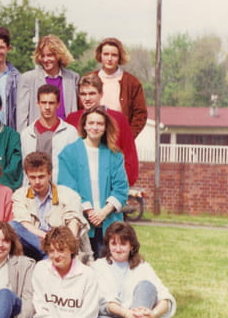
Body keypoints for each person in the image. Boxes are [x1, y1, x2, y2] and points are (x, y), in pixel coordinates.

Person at [93, 221, 187, 318]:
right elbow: (106, 303)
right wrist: (127, 313)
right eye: (113, 244)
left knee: (146, 286)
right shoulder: (98, 266)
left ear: (131, 246)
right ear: (108, 245)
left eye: (123, 244)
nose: (118, 248)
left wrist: (152, 314)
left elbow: (166, 299)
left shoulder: (142, 266)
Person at [9, 226, 107, 318]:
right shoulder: (41, 268)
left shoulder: (87, 274)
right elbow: (39, 304)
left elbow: (88, 312)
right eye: (51, 251)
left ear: (71, 249)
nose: (56, 256)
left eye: (61, 250)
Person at [58, 107, 129, 258]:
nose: (95, 127)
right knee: (83, 265)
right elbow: (67, 186)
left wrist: (103, 212)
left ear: (105, 127)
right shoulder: (69, 153)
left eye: (99, 124)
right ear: (84, 125)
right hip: (81, 220)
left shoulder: (115, 154)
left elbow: (121, 187)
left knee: (108, 266)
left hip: (109, 221)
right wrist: (90, 211)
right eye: (91, 123)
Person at [11, 152, 90, 262]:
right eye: (32, 177)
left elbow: (73, 223)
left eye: (41, 176)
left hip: (61, 245)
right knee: (12, 226)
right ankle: (50, 252)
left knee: (52, 256)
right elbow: (24, 224)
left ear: (49, 174)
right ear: (27, 176)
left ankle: (51, 255)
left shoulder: (68, 194)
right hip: (32, 244)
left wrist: (60, 244)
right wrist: (49, 241)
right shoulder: (19, 195)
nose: (37, 182)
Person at [67, 73, 139, 186]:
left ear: (101, 94)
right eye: (83, 94)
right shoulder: (72, 119)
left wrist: (121, 185)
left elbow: (129, 155)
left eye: (92, 93)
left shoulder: (118, 119)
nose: (87, 98)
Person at [17, 35, 79, 131]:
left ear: (59, 55)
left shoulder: (72, 78)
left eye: (50, 55)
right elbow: (22, 116)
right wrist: (23, 137)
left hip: (65, 134)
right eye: (42, 56)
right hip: (38, 134)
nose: (45, 60)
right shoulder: (28, 79)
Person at [18, 84, 78, 184]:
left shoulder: (70, 132)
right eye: (43, 102)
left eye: (51, 103)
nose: (47, 107)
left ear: (58, 104)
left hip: (61, 188)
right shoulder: (27, 134)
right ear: (38, 104)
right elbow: (25, 169)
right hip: (34, 188)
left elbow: (74, 166)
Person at [90, 37, 148, 139]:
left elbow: (140, 114)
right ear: (100, 55)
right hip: (92, 135)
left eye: (114, 55)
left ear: (120, 57)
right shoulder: (89, 79)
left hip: (119, 136)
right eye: (106, 54)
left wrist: (128, 137)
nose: (109, 59)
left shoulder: (132, 82)